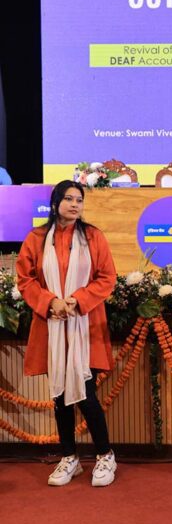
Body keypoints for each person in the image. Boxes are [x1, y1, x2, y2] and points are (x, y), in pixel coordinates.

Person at [16, 180, 118, 487]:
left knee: (86, 394)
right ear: (55, 202)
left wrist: (77, 300)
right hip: (51, 327)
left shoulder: (93, 236)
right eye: (69, 199)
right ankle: (69, 457)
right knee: (60, 396)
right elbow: (25, 279)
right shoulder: (36, 238)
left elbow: (107, 277)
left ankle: (105, 455)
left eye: (79, 200)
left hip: (85, 325)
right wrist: (51, 302)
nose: (75, 204)